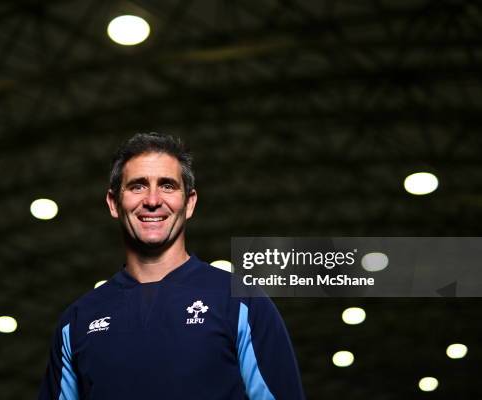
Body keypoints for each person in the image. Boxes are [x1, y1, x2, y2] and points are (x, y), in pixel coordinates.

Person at [38, 133, 305, 400]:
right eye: (137, 186)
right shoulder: (78, 319)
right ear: (113, 203)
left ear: (189, 203)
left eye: (167, 186)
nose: (153, 200)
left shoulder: (241, 301)